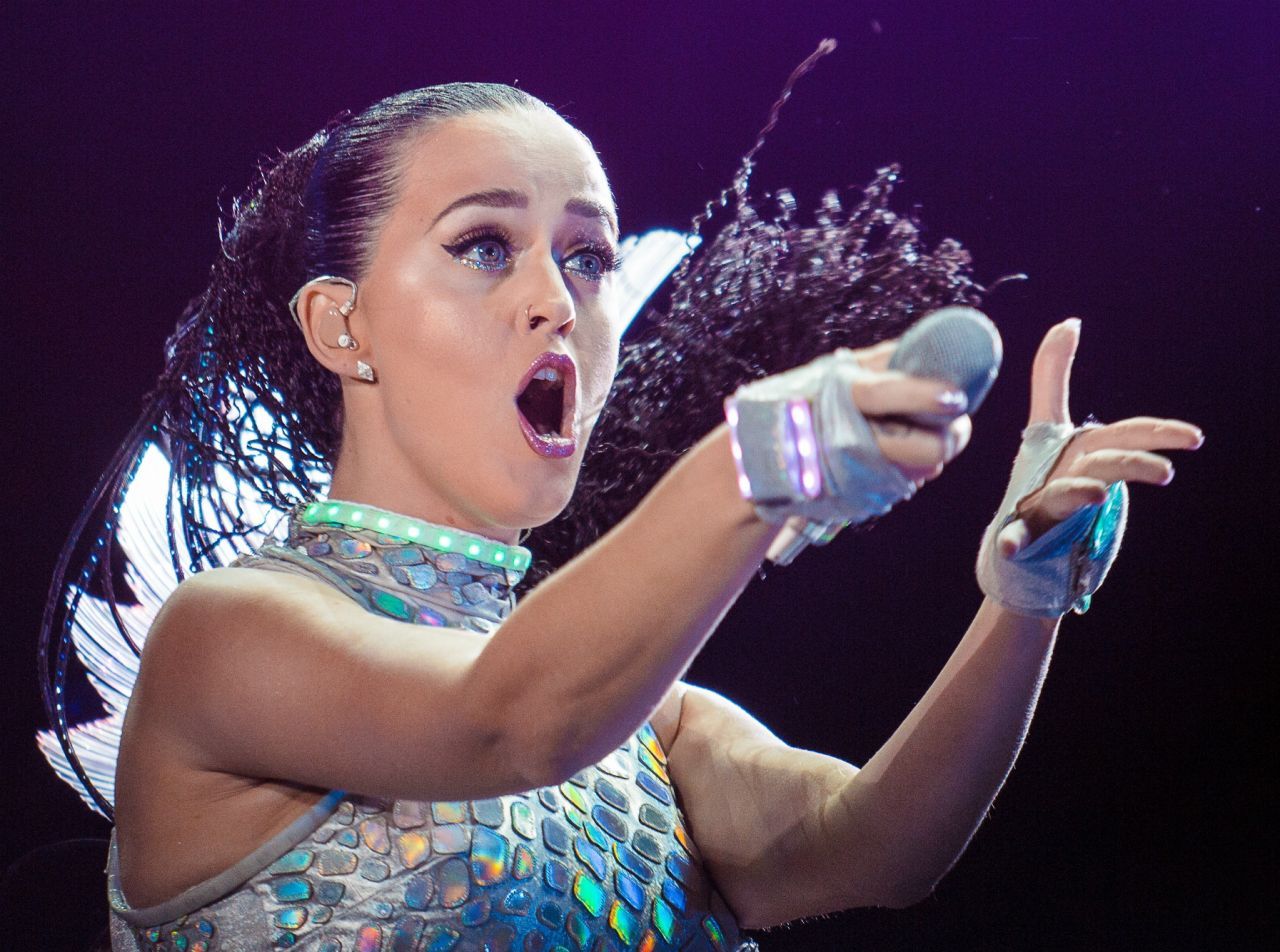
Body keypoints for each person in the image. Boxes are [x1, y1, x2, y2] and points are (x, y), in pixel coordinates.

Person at [40, 81, 1201, 951]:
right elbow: (505, 721)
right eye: (483, 245)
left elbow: (875, 847)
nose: (556, 298)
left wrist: (1024, 600)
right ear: (341, 327)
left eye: (588, 258)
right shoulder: (227, 635)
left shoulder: (648, 718)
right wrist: (754, 463)